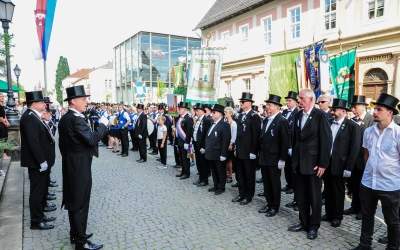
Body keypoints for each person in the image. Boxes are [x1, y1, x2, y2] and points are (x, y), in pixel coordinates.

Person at [58, 85, 108, 250]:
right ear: (73, 101)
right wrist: (103, 125)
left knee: (74, 202)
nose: (86, 102)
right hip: (79, 168)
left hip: (71, 165)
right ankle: (81, 243)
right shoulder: (75, 119)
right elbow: (92, 139)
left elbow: (63, 146)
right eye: (83, 99)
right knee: (80, 204)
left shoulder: (66, 118)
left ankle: (76, 234)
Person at [352, 93, 400, 250]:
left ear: (390, 112)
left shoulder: (398, 134)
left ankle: (393, 247)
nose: (374, 112)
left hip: (390, 186)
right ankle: (365, 245)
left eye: (379, 109)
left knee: (392, 220)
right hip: (368, 183)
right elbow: (366, 155)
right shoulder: (369, 132)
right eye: (374, 109)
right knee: (367, 216)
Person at [288, 89, 331, 240]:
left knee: (314, 197)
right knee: (300, 196)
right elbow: (295, 139)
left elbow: (326, 141)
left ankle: (314, 226)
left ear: (311, 99)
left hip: (313, 165)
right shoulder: (298, 114)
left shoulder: (321, 116)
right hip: (299, 163)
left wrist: (323, 164)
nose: (299, 101)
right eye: (299, 98)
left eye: (301, 98)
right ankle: (303, 222)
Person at [20, 91, 56, 230]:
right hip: (36, 162)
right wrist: (41, 161)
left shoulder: (34, 116)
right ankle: (36, 221)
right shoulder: (29, 117)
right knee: (37, 192)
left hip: (39, 161)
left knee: (40, 191)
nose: (44, 104)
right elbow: (33, 142)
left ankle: (40, 215)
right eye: (41, 102)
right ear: (34, 104)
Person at [323, 99, 361, 228]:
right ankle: (328, 213)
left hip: (341, 165)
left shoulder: (353, 126)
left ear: (344, 111)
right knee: (327, 190)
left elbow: (354, 149)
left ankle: (337, 216)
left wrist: (349, 167)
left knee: (338, 192)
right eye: (333, 109)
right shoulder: (328, 122)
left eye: (335, 110)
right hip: (327, 163)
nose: (332, 112)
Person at [258, 94, 289, 217]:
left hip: (275, 159)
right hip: (264, 157)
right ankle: (269, 203)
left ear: (277, 107)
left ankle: (274, 206)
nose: (267, 107)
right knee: (266, 183)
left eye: (269, 105)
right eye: (267, 105)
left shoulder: (282, 121)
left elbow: (285, 142)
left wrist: (282, 159)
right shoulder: (266, 120)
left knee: (274, 184)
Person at [345, 95, 374, 220]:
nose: (352, 109)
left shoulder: (371, 120)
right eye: (352, 107)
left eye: (355, 106)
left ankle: (363, 209)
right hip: (354, 160)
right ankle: (354, 206)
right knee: (354, 184)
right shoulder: (354, 120)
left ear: (363, 106)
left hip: (366, 159)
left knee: (365, 188)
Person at [232, 92, 261, 205]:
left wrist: (254, 151)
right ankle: (241, 193)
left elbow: (256, 136)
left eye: (243, 102)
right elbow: (237, 134)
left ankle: (248, 196)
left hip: (249, 152)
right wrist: (235, 148)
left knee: (249, 175)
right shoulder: (240, 115)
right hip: (239, 151)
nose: (241, 103)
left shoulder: (254, 116)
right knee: (240, 174)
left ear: (249, 103)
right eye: (240, 102)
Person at [204, 104, 231, 195]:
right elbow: (209, 138)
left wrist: (223, 154)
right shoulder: (213, 123)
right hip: (211, 152)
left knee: (220, 171)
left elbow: (225, 141)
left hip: (219, 153)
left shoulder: (224, 125)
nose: (212, 114)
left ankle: (221, 187)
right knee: (214, 171)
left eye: (214, 112)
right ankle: (216, 185)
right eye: (212, 112)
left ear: (219, 114)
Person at [281, 91, 299, 196]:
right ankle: (288, 184)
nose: (287, 102)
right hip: (284, 144)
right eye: (287, 100)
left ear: (296, 102)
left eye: (289, 100)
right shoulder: (284, 113)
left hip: (292, 144)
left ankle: (293, 185)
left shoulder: (297, 113)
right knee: (287, 167)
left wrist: (291, 146)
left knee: (292, 168)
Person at [192, 103, 212, 186]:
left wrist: (204, 146)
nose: (197, 112)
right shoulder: (198, 119)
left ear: (203, 111)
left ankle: (204, 180)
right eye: (196, 111)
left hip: (202, 145)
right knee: (199, 163)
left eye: (199, 110)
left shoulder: (206, 120)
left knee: (203, 163)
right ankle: (200, 178)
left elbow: (207, 135)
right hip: (196, 144)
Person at [175, 102, 194, 179]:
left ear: (185, 109)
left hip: (186, 142)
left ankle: (187, 173)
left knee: (186, 158)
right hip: (180, 141)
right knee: (181, 158)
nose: (178, 110)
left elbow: (189, 131)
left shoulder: (188, 118)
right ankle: (183, 171)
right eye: (179, 108)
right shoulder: (180, 118)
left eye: (180, 108)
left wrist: (187, 142)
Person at [224, 106, 237, 184]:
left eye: (226, 112)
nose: (225, 113)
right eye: (224, 112)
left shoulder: (233, 123)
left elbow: (234, 135)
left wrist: (231, 144)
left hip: (230, 144)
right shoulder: (225, 121)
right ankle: (226, 174)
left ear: (231, 113)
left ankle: (230, 176)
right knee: (225, 160)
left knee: (229, 161)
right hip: (224, 143)